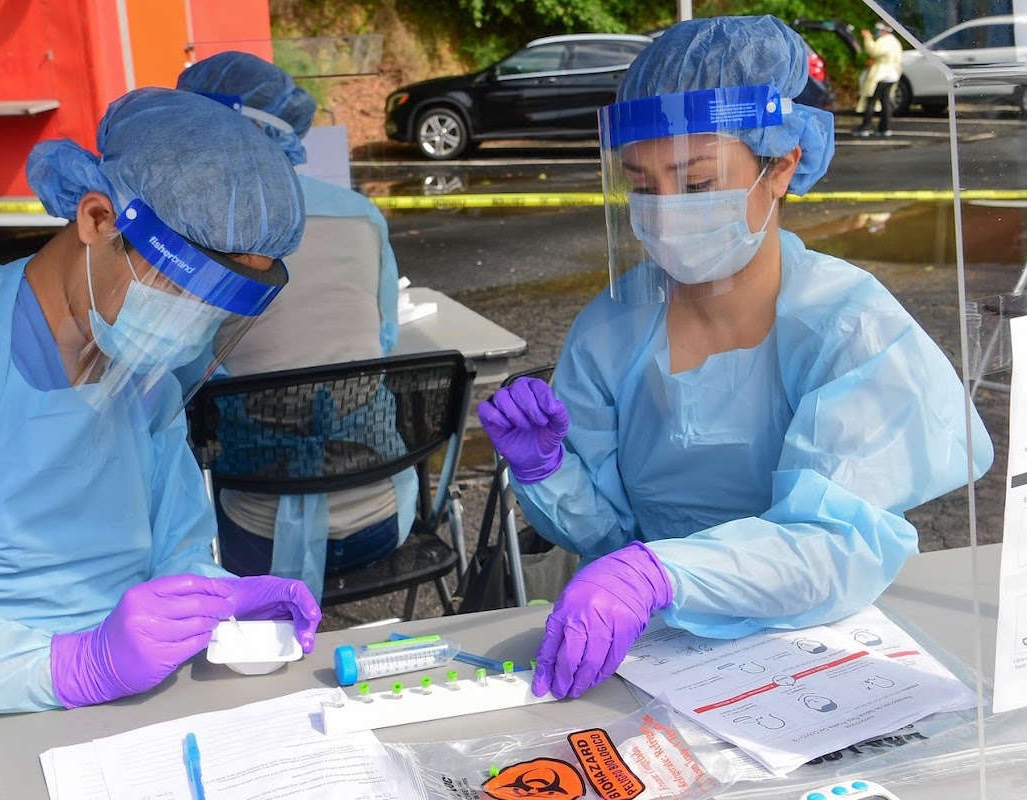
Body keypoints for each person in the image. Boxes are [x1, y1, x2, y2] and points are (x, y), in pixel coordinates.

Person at [478, 15, 993, 701]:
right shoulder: (613, 329)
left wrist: (660, 574)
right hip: (650, 656)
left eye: (695, 184)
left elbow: (832, 547)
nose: (663, 213)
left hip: (818, 657)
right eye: (641, 184)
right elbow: (608, 536)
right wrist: (549, 470)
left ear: (781, 167)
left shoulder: (850, 327)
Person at [0, 87, 322, 714]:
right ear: (97, 219)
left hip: (135, 705)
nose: (193, 322)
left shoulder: (145, 380)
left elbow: (178, 550)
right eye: (182, 287)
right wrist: (70, 667)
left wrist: (219, 601)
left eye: (216, 307)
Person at [173, 53, 415, 599]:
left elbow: (181, 380)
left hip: (255, 538)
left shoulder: (197, 232)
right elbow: (382, 342)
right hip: (383, 520)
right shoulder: (360, 216)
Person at [853, 21, 903, 137]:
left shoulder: (884, 41)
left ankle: (864, 127)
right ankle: (884, 128)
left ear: (884, 31)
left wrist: (868, 38)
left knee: (871, 100)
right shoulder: (895, 41)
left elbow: (873, 51)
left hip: (881, 75)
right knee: (885, 101)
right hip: (893, 74)